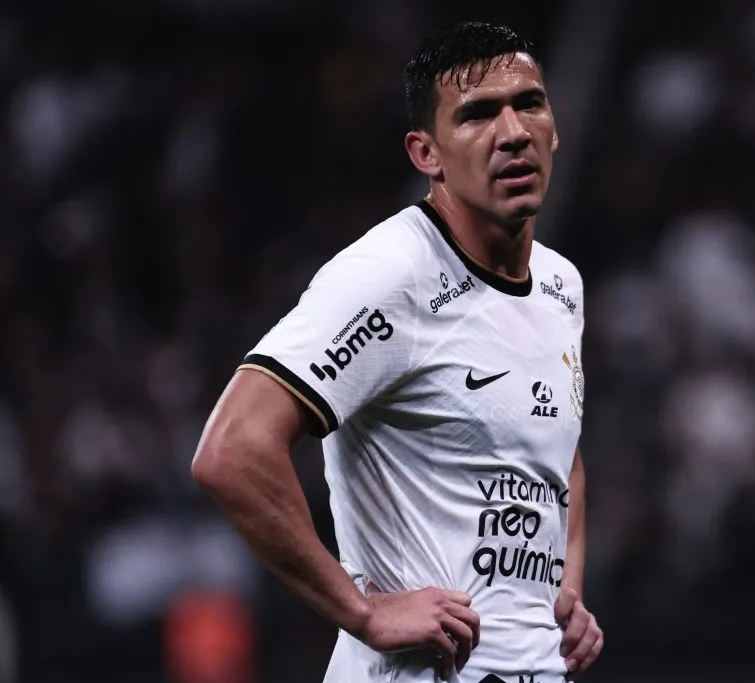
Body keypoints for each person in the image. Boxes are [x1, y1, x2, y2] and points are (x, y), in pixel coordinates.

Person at [191, 20, 602, 683]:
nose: (513, 132)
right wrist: (362, 611)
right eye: (477, 114)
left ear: (554, 126)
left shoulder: (560, 285)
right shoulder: (392, 275)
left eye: (528, 102)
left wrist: (566, 590)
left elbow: (559, 452)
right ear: (426, 153)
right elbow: (232, 448)